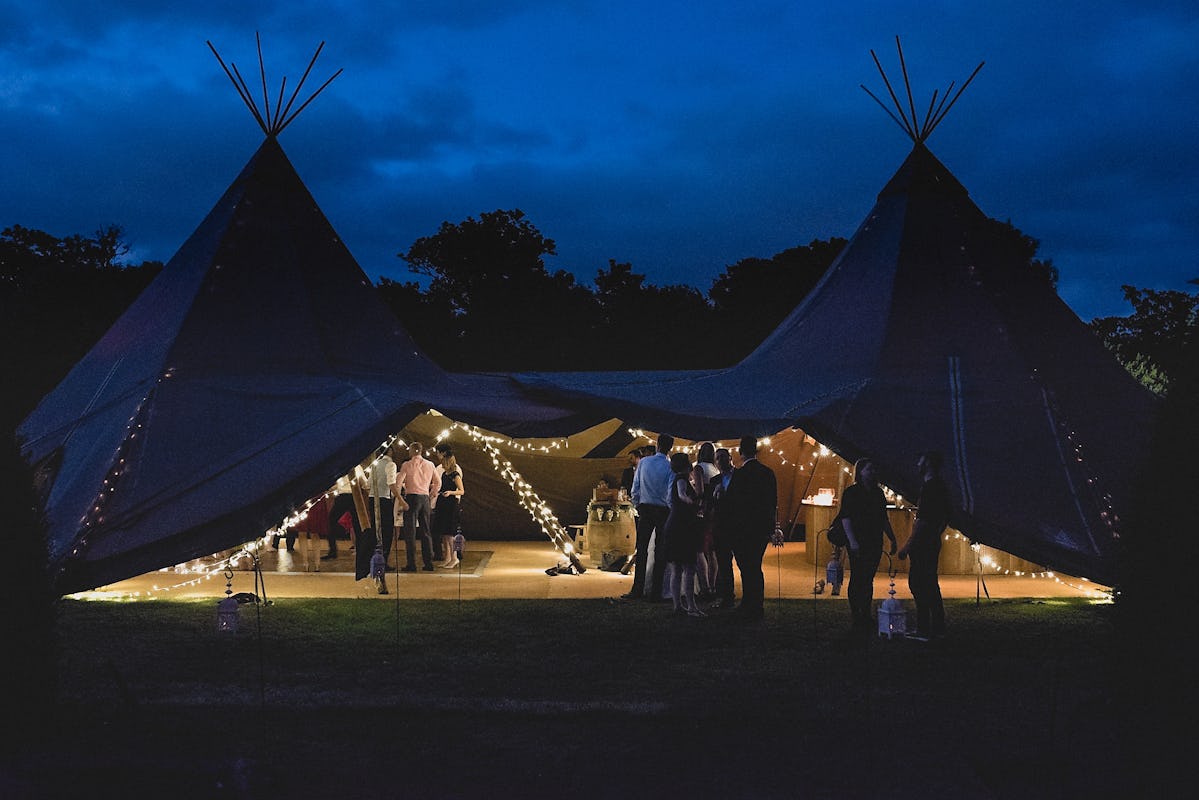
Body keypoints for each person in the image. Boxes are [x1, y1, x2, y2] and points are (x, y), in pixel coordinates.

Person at [722, 436, 778, 621]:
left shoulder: (740, 474)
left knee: (747, 567)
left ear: (741, 452)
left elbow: (732, 503)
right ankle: (756, 603)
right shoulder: (768, 473)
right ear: (756, 450)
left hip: (743, 528)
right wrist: (772, 527)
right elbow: (773, 502)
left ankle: (749, 603)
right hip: (761, 528)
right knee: (755, 566)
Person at [841, 457, 898, 635]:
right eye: (868, 469)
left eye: (873, 470)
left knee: (868, 578)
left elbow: (883, 518)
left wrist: (892, 537)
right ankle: (856, 613)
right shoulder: (852, 492)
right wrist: (852, 541)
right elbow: (846, 518)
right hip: (858, 540)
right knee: (858, 576)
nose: (872, 472)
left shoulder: (878, 493)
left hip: (873, 540)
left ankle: (865, 612)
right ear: (860, 472)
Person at [898, 451, 950, 641]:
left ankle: (924, 629)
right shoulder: (940, 487)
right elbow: (945, 516)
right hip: (932, 540)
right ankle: (937, 628)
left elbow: (922, 522)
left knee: (919, 584)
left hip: (924, 543)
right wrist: (937, 532)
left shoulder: (931, 488)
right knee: (930, 585)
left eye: (920, 460)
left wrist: (907, 546)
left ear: (927, 463)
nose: (917, 463)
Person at [622, 434, 674, 601]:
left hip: (646, 509)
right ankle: (656, 592)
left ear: (657, 444)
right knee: (661, 551)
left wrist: (638, 505)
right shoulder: (670, 466)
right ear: (670, 448)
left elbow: (635, 488)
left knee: (642, 549)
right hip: (663, 510)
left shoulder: (644, 462)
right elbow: (671, 491)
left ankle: (637, 589)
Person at [664, 452, 704, 617]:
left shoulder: (678, 479)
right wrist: (693, 504)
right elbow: (682, 495)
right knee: (689, 567)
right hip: (683, 527)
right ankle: (692, 607)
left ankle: (678, 606)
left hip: (675, 525)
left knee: (677, 568)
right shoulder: (681, 478)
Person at [396, 441, 439, 572]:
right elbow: (438, 482)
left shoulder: (407, 465)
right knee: (426, 532)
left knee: (410, 533)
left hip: (411, 497)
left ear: (412, 451)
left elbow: (398, 483)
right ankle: (428, 563)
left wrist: (400, 499)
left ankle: (412, 564)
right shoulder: (430, 464)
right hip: (424, 498)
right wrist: (431, 494)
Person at [356, 450, 397, 580]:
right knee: (387, 532)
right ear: (390, 451)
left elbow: (367, 485)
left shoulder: (374, 464)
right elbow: (391, 483)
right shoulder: (390, 465)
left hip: (373, 499)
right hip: (384, 499)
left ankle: (375, 559)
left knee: (375, 529)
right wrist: (400, 499)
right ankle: (382, 560)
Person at [708, 447, 737, 609]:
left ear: (730, 458)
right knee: (724, 564)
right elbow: (710, 505)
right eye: (717, 458)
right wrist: (714, 496)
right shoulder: (715, 481)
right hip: (720, 527)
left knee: (743, 563)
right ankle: (727, 597)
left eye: (723, 457)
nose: (720, 461)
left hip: (737, 526)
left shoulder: (740, 477)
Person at [691, 442, 719, 601]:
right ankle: (713, 586)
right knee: (712, 551)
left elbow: (700, 491)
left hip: (703, 512)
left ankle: (705, 587)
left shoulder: (698, 468)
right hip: (715, 512)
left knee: (699, 550)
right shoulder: (715, 469)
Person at [430, 443, 463, 562]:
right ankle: (448, 557)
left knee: (450, 532)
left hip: (451, 504)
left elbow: (461, 491)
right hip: (442, 503)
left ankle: (454, 557)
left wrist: (450, 493)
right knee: (444, 532)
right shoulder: (443, 473)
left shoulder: (455, 473)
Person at [323, 473, 359, 561]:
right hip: (351, 496)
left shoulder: (343, 469)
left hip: (346, 496)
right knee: (356, 523)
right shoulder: (355, 467)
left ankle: (333, 550)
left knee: (332, 521)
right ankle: (333, 550)